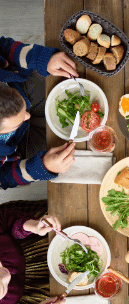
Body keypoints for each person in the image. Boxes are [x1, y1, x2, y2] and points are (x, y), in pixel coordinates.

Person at [0, 36, 78, 189]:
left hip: (20, 85)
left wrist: (42, 58)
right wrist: (42, 167)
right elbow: (3, 178)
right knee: (72, 158)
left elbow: (3, 47)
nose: (27, 116)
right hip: (20, 147)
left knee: (69, 90)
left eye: (23, 111)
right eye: (21, 119)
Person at [0, 203, 65, 304]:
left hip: (29, 237)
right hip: (30, 291)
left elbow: (4, 219)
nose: (8, 277)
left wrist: (32, 226)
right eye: (3, 288)